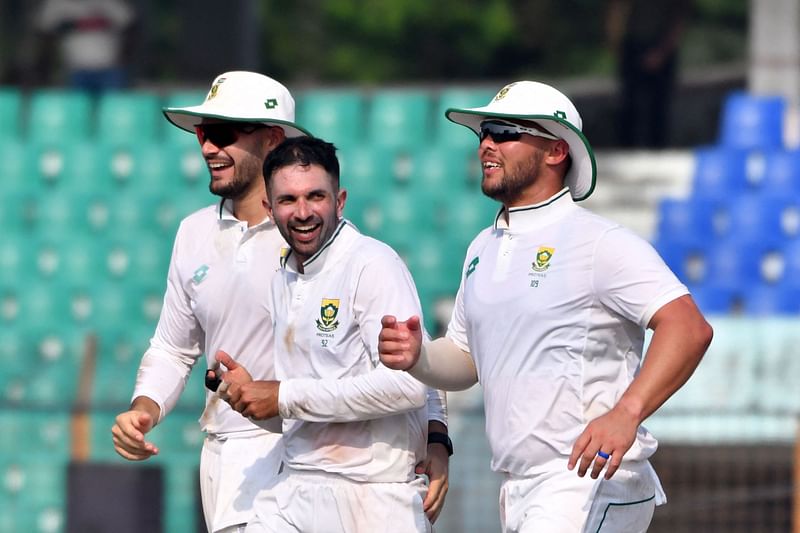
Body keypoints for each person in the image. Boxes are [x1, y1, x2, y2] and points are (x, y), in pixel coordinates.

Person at [109, 70, 450, 532]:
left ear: (272, 139)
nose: (208, 148)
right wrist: (143, 409)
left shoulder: (329, 242)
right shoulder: (195, 233)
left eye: (223, 134)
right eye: (203, 134)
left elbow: (413, 361)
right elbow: (173, 347)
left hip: (326, 458)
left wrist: (437, 438)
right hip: (236, 449)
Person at [378, 80, 713, 532]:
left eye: (503, 131)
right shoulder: (482, 247)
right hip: (518, 485)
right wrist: (418, 356)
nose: (487, 145)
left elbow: (688, 327)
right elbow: (464, 362)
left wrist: (627, 412)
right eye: (483, 134)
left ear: (556, 151)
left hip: (588, 476)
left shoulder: (601, 242)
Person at [216, 136, 440, 533]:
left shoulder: (373, 264)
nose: (303, 212)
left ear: (340, 201)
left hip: (373, 498)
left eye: (315, 196)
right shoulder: (282, 277)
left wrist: (283, 395)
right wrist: (254, 399)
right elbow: (307, 411)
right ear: (269, 208)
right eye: (287, 200)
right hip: (294, 487)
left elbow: (408, 388)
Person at [607, 0, 691, 148]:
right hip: (632, 45)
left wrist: (662, 52)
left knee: (658, 106)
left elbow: (679, 19)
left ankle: (657, 149)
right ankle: (627, 147)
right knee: (628, 104)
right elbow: (616, 11)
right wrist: (617, 44)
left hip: (660, 45)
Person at [32, 0, 138, 92]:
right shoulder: (57, 3)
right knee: (77, 109)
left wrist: (126, 57)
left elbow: (128, 22)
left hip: (109, 68)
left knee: (111, 109)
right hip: (74, 69)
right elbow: (43, 28)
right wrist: (74, 25)